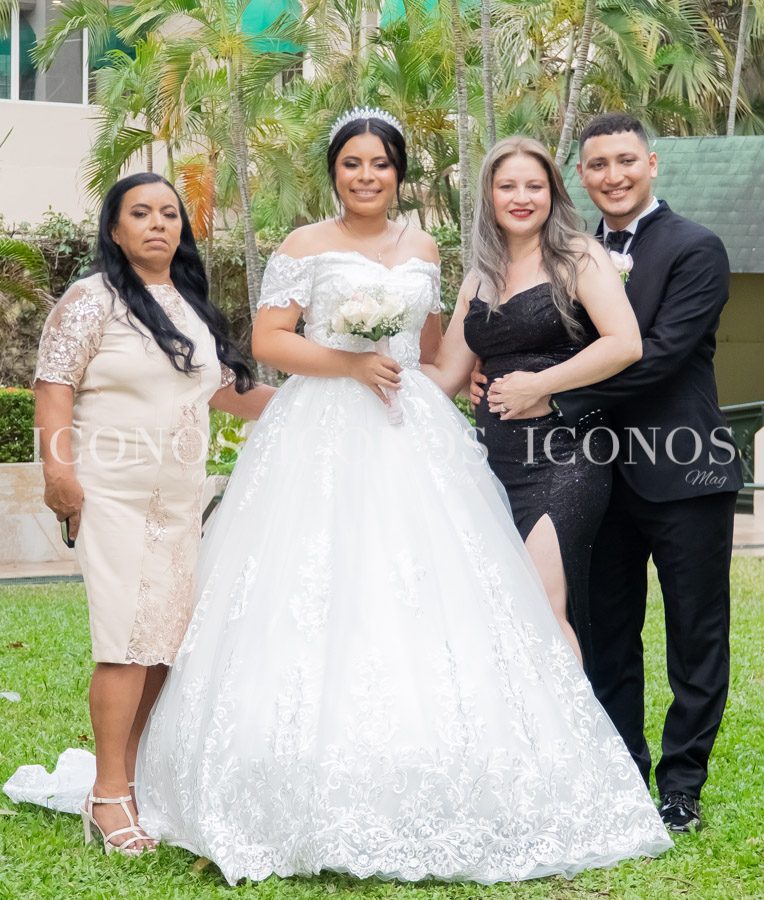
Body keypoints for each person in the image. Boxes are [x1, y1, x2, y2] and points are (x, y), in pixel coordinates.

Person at [135, 109, 671, 885]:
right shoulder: (302, 245)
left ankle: (518, 762)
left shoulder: (424, 248)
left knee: (446, 591)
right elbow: (269, 341)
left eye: (380, 164)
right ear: (334, 172)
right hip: (322, 428)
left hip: (409, 426)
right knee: (317, 587)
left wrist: (464, 376)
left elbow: (431, 356)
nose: (366, 176)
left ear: (398, 173)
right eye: (352, 163)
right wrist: (350, 365)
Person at [472, 113, 742, 832]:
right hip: (589, 472)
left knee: (695, 635)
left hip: (682, 468)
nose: (613, 176)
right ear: (581, 176)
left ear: (652, 163)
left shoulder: (696, 247)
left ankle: (681, 787)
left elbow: (662, 352)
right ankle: (622, 770)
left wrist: (548, 394)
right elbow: (540, 335)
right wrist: (493, 375)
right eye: (598, 165)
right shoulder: (569, 252)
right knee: (606, 632)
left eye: (626, 161)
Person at [27, 173, 275, 855]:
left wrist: (315, 403)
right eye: (141, 213)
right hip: (110, 491)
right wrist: (58, 474)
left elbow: (225, 389)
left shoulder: (189, 307)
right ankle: (108, 797)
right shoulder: (90, 300)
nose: (158, 223)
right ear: (115, 228)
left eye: (169, 213)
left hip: (178, 499)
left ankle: (132, 781)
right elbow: (53, 388)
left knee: (165, 645)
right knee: (125, 641)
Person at [424, 136, 643, 669]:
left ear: (553, 193)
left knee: (543, 607)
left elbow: (625, 343)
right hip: (492, 467)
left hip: (564, 457)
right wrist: (356, 365)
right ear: (489, 195)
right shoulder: (479, 277)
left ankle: (573, 726)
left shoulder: (578, 256)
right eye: (508, 187)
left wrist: (540, 384)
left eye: (534, 186)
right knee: (503, 609)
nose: (521, 198)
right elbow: (444, 375)